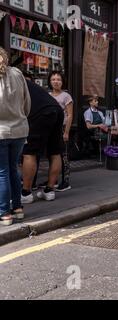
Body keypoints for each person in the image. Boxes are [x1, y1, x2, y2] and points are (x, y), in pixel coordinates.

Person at [0, 47, 31, 225]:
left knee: (2, 172)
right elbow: (27, 102)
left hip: (1, 131)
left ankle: (4, 213)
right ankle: (17, 208)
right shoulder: (18, 73)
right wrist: (21, 117)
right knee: (12, 169)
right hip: (20, 129)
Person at [21, 79, 64, 204]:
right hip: (56, 108)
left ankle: (26, 193)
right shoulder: (20, 78)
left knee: (29, 152)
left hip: (39, 112)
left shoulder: (10, 80)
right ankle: (50, 191)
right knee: (55, 151)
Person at [49, 71, 73, 192]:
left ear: (62, 82)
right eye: (53, 79)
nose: (56, 81)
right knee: (53, 155)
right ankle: (54, 179)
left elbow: (70, 115)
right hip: (51, 129)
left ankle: (66, 181)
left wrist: (66, 132)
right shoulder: (48, 95)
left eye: (58, 79)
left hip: (62, 128)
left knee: (63, 155)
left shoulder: (66, 96)